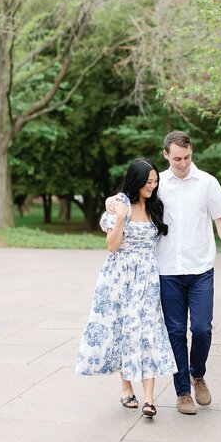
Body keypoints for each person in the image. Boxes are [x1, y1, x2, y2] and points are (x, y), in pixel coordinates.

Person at [106, 131, 221, 415]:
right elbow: (128, 197)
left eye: (187, 157)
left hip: (200, 267)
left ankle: (197, 373)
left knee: (202, 329)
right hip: (166, 271)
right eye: (176, 158)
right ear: (166, 155)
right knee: (176, 331)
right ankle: (183, 393)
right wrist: (111, 202)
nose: (182, 163)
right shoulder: (156, 184)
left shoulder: (207, 183)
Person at [76, 158, 177, 418]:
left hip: (147, 276)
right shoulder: (120, 205)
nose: (152, 186)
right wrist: (120, 217)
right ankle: (126, 388)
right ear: (136, 180)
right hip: (118, 276)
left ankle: (150, 399)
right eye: (148, 182)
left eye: (155, 181)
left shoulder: (156, 206)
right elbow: (112, 245)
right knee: (123, 329)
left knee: (148, 331)